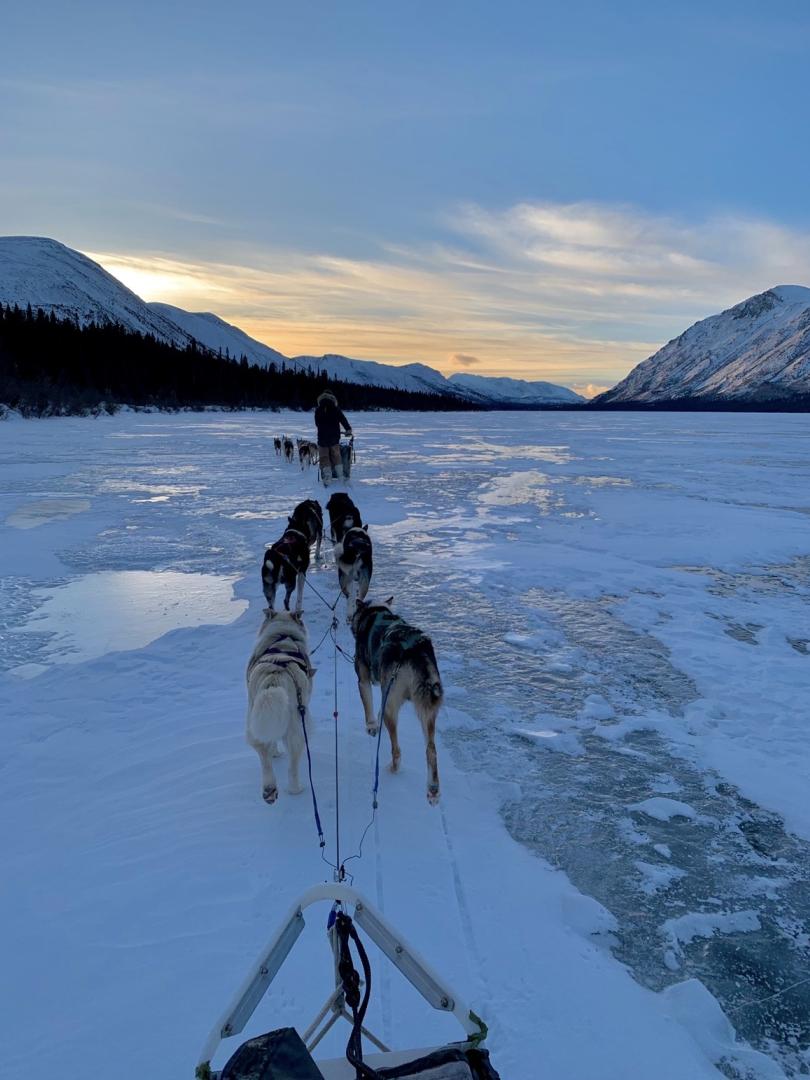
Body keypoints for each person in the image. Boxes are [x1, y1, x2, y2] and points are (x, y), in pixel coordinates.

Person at [314, 389, 352, 485]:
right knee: (336, 455)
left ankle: (328, 477)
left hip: (322, 437)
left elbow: (317, 423)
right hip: (334, 437)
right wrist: (348, 429)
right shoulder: (335, 408)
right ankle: (340, 476)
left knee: (324, 457)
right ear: (332, 398)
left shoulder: (318, 409)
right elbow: (343, 419)